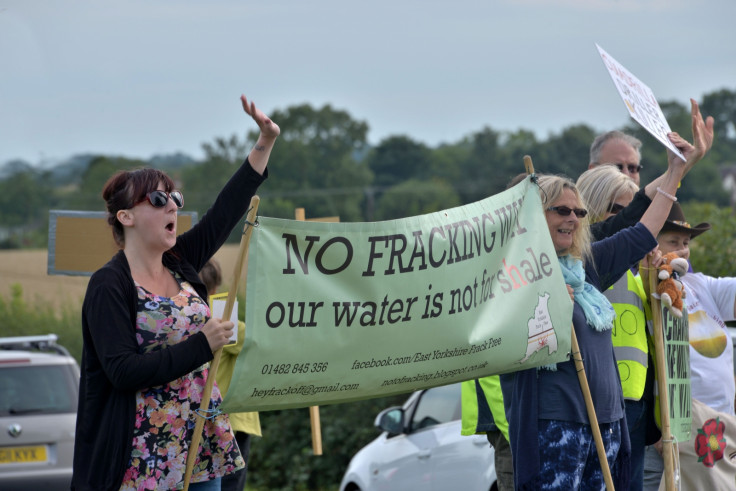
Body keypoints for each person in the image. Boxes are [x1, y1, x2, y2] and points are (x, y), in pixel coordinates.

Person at [71, 95, 279, 491]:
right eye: (159, 199)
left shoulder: (180, 260)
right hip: (138, 458)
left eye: (175, 198)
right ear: (126, 217)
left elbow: (226, 210)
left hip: (198, 447)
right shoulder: (109, 285)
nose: (173, 208)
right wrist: (202, 344)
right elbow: (122, 371)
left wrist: (265, 141)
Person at [499, 141, 686, 489]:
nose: (573, 218)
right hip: (555, 426)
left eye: (579, 212)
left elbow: (641, 234)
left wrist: (676, 172)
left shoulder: (587, 266)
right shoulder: (511, 278)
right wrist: (543, 300)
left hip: (609, 425)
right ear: (533, 216)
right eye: (561, 210)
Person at [642, 203, 736, 490]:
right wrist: (655, 431)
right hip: (676, 425)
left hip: (721, 422)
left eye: (686, 243)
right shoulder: (643, 287)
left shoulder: (699, 284)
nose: (682, 250)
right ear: (651, 245)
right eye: (673, 242)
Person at [200, 258, 262, 491]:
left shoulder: (187, 322)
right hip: (233, 419)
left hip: (200, 418)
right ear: (216, 288)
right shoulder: (227, 323)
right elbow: (258, 342)